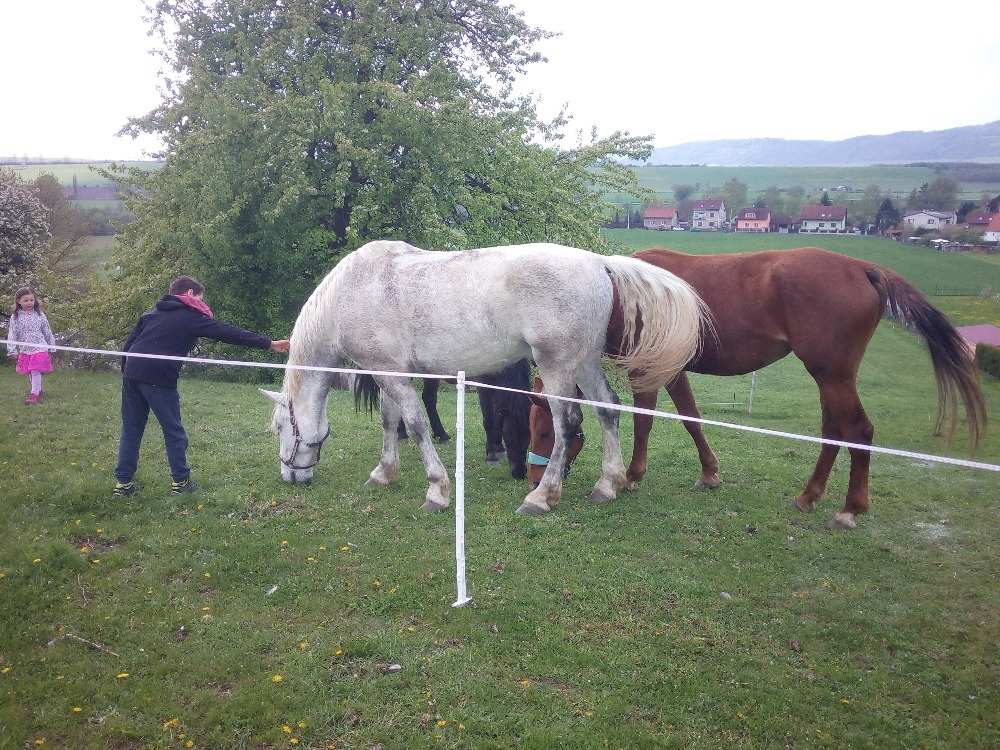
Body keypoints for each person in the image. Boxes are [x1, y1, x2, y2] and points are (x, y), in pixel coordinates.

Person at [113, 275, 290, 497]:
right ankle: (181, 483)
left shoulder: (150, 314)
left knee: (131, 429)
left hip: (131, 375)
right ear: (189, 294)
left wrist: (127, 372)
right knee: (173, 432)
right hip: (158, 378)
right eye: (200, 298)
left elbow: (127, 347)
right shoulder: (190, 317)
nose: (202, 303)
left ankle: (122, 485)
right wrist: (269, 344)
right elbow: (227, 332)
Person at [6, 287, 56, 405]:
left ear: (35, 300)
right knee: (30, 371)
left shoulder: (40, 314)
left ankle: (34, 394)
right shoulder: (16, 316)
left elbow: (47, 330)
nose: (29, 303)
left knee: (35, 369)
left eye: (31, 300)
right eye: (26, 300)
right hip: (25, 349)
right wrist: (11, 349)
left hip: (40, 347)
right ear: (18, 301)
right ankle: (38, 390)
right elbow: (12, 333)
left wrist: (52, 345)